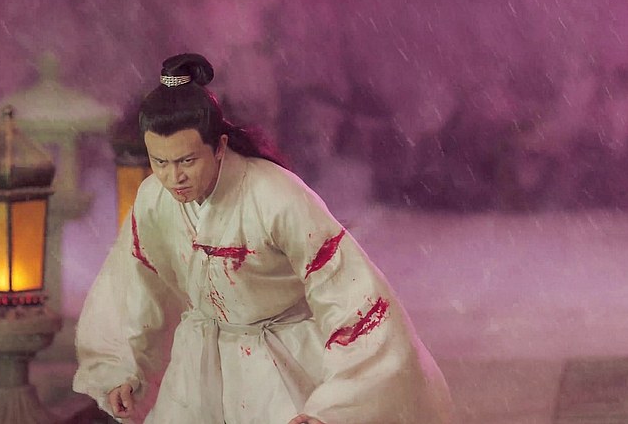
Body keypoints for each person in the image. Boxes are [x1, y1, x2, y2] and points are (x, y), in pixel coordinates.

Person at [73, 53, 452, 423]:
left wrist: (332, 408)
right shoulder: (153, 199)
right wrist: (123, 368)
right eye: (160, 162)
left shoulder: (276, 196)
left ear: (219, 147)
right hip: (197, 368)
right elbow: (137, 288)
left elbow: (352, 297)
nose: (174, 178)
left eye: (187, 160)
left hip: (280, 364)